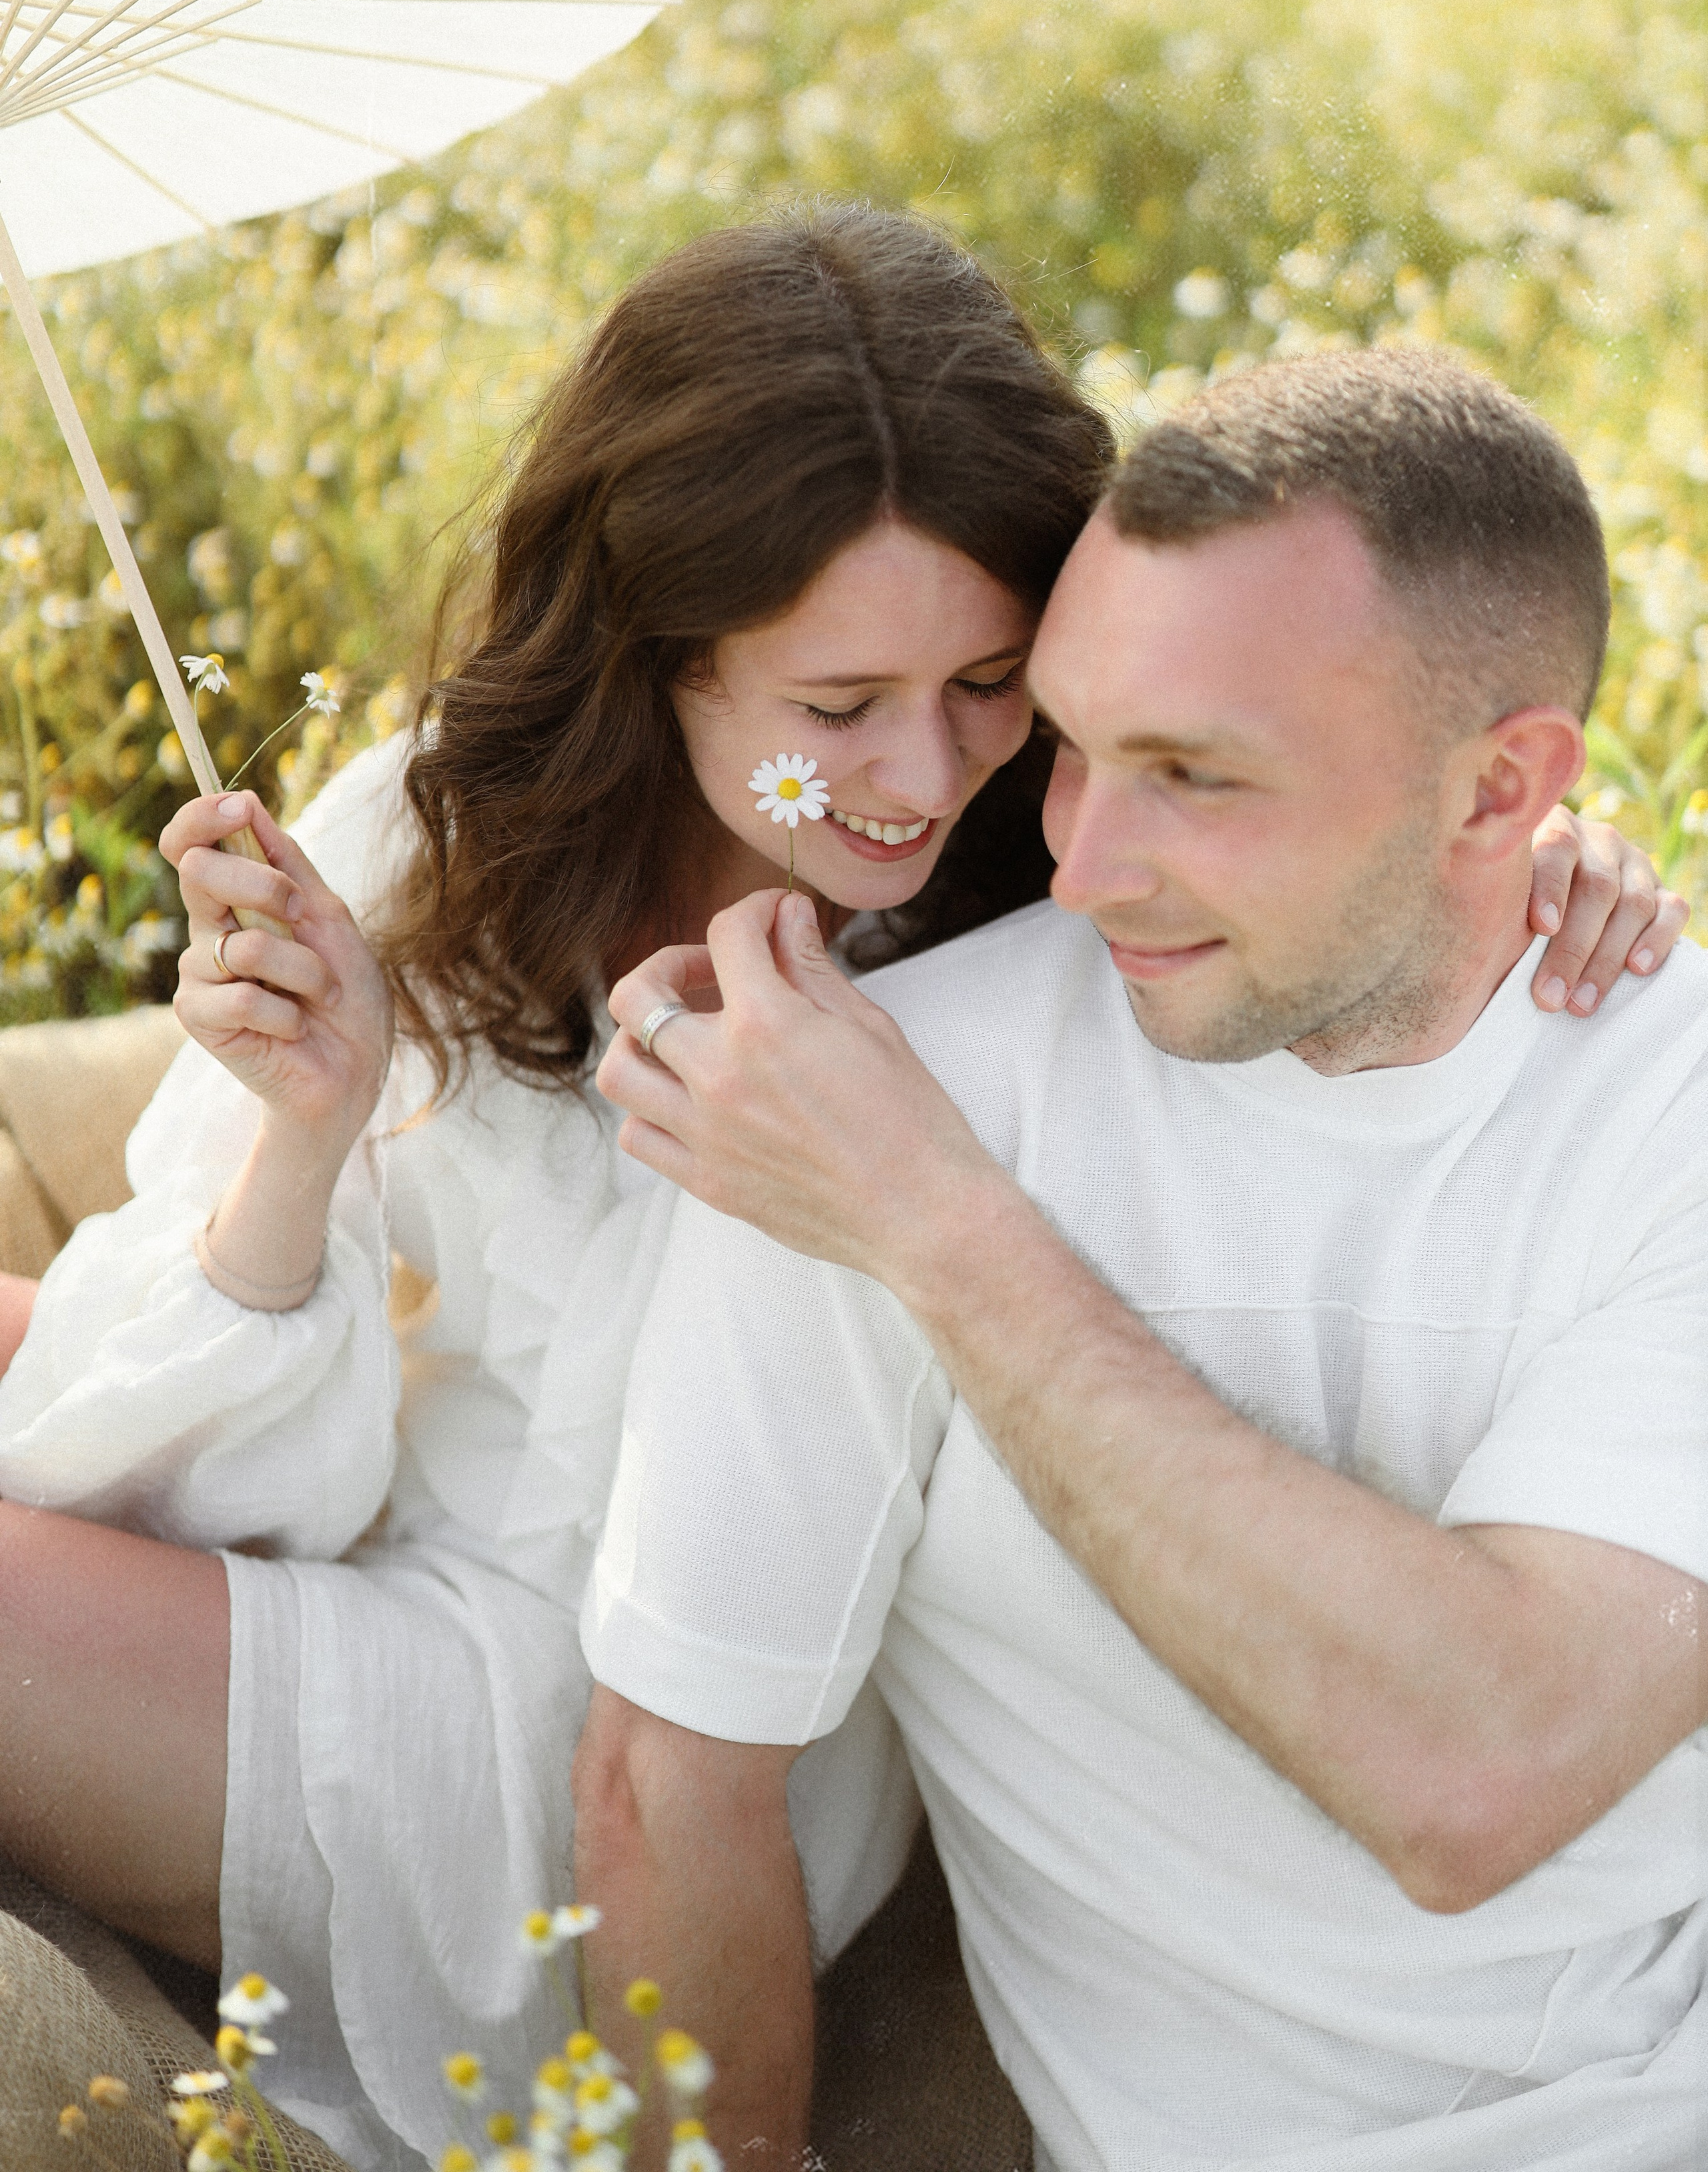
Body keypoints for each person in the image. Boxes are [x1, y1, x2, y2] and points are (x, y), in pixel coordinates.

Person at [0, 220, 1669, 2164]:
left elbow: (1335, 831)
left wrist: (1539, 854)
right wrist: (307, 1134)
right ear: (665, 661)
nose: (926, 773)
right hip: (363, 1529)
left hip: (607, 1708)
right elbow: (212, 1468)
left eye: (987, 684)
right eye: (835, 708)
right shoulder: (434, 836)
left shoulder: (1028, 924)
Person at [586, 342, 1708, 2172]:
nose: (1085, 864)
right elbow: (668, 1778)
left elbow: (1482, 1771)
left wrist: (942, 1232)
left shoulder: (1676, 1106)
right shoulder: (862, 1099)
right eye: (1076, 746)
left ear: (1504, 796)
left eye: (1192, 774)